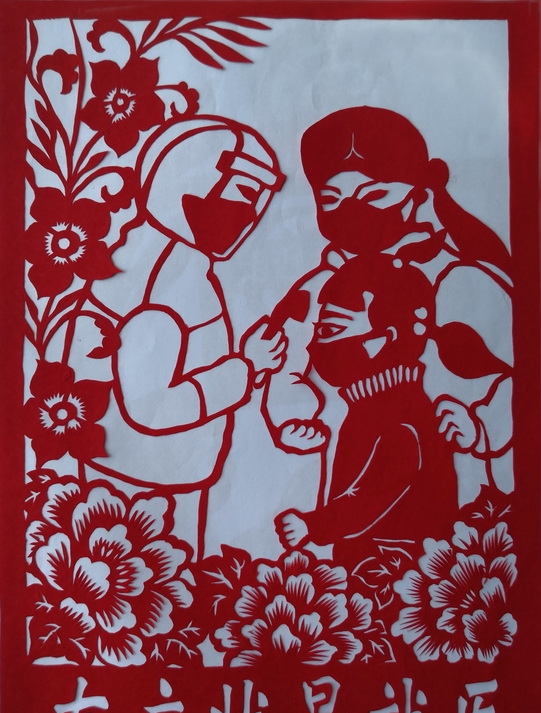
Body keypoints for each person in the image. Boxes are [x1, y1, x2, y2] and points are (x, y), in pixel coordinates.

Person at [262, 106, 513, 506]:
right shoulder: (319, 288)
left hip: (438, 461)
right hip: (351, 455)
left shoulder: (454, 278)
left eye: (375, 194)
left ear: (417, 195)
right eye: (331, 200)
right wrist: (293, 417)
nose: (352, 211)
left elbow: (514, 369)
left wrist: (481, 426)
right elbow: (285, 364)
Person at [60, 116, 287, 558]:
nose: (251, 214)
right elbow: (153, 407)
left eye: (259, 201)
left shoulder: (160, 259)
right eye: (245, 193)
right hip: (147, 479)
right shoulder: (163, 282)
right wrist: (245, 368)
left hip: (146, 471)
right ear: (193, 182)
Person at [275, 256, 459, 568]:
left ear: (381, 341)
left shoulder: (399, 415)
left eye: (330, 329)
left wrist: (313, 526)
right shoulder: (372, 406)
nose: (313, 346)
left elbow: (373, 493)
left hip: (396, 570)